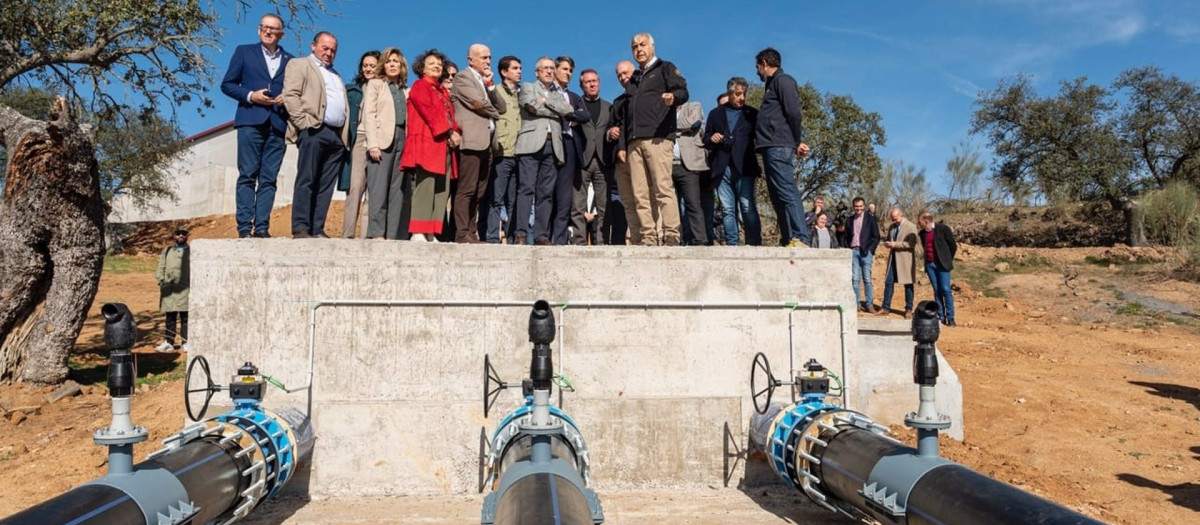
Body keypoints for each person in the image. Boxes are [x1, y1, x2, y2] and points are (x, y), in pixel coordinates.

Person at [220, 14, 294, 239]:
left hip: (278, 124)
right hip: (251, 121)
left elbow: (296, 91)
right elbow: (227, 85)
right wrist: (251, 95)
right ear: (259, 30)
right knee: (247, 174)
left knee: (269, 179)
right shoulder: (244, 52)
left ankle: (262, 227)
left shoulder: (291, 61)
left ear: (281, 34)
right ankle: (244, 227)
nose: (268, 31)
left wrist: (287, 98)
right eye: (264, 27)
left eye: (273, 29)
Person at [623, 32, 688, 246]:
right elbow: (627, 111)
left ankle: (671, 233)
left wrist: (673, 97)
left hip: (658, 138)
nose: (639, 49)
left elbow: (682, 91)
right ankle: (648, 236)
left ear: (652, 46)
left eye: (642, 45)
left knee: (663, 188)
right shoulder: (634, 78)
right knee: (640, 193)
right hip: (634, 142)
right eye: (634, 47)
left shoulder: (665, 68)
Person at [282, 31, 349, 238]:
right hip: (314, 129)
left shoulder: (336, 75)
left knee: (326, 185)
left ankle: (317, 228)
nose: (329, 53)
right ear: (313, 46)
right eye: (325, 48)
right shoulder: (300, 64)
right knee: (307, 179)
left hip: (336, 136)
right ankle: (301, 227)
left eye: (333, 50)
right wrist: (304, 123)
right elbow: (290, 95)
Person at [400, 49, 461, 242]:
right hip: (428, 143)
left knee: (441, 190)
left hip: (444, 146)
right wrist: (450, 132)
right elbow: (430, 113)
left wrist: (456, 131)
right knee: (425, 187)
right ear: (422, 68)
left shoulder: (441, 91)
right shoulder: (420, 86)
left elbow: (450, 116)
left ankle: (431, 231)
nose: (437, 66)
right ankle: (418, 231)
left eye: (439, 64)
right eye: (431, 63)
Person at [513, 57, 574, 245]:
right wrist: (555, 109)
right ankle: (520, 233)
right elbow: (530, 106)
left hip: (553, 146)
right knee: (526, 189)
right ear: (537, 72)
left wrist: (545, 102)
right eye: (545, 68)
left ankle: (541, 235)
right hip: (531, 144)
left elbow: (568, 111)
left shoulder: (557, 94)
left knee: (546, 193)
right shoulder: (528, 87)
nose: (549, 71)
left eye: (551, 68)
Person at [754, 47, 810, 247]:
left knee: (786, 191)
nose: (757, 71)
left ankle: (801, 237)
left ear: (764, 63)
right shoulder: (771, 85)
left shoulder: (783, 81)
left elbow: (794, 113)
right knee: (777, 196)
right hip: (770, 146)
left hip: (779, 145)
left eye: (757, 67)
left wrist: (797, 141)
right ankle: (789, 239)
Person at [450, 44, 506, 243]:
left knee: (479, 191)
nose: (488, 61)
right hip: (471, 141)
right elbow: (477, 103)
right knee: (467, 189)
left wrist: (491, 86)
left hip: (487, 143)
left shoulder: (484, 81)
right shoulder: (463, 78)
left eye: (489, 57)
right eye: (483, 57)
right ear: (471, 59)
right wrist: (494, 113)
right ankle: (461, 232)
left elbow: (502, 107)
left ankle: (471, 232)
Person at [704, 77, 761, 246]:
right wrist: (712, 138)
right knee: (727, 209)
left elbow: (761, 137)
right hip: (722, 168)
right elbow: (706, 138)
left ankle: (754, 244)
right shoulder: (715, 114)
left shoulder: (752, 114)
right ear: (729, 93)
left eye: (744, 94)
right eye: (738, 94)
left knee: (747, 207)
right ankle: (732, 244)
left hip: (745, 167)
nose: (742, 98)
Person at [361, 47, 409, 239]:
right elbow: (369, 114)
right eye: (388, 61)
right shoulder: (376, 84)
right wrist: (372, 143)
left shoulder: (404, 90)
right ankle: (377, 233)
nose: (392, 65)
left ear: (401, 65)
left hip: (402, 139)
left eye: (395, 61)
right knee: (379, 188)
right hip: (382, 140)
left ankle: (393, 234)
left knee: (397, 192)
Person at [340, 50, 379, 238]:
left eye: (372, 65)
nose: (368, 69)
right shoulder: (353, 89)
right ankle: (347, 235)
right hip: (359, 139)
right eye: (365, 65)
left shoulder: (385, 88)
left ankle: (366, 237)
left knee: (373, 191)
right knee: (355, 187)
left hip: (379, 139)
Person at [551, 56, 590, 245]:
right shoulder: (547, 91)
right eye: (564, 69)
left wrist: (568, 113)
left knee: (565, 196)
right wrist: (570, 114)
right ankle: (543, 235)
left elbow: (585, 116)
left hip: (570, 146)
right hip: (550, 144)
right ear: (555, 70)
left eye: (570, 70)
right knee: (547, 192)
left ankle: (559, 239)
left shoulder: (574, 97)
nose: (568, 73)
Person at [572, 69, 614, 245]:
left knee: (604, 205)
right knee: (578, 205)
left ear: (599, 83)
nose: (592, 84)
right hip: (582, 159)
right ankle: (579, 242)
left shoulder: (609, 107)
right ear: (582, 85)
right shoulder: (576, 105)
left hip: (603, 160)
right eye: (588, 82)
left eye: (594, 81)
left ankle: (602, 241)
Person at [486, 56, 522, 244]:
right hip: (501, 152)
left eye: (520, 68)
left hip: (520, 153)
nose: (519, 71)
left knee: (514, 199)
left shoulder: (522, 94)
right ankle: (492, 237)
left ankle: (511, 237)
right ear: (504, 72)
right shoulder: (496, 91)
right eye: (515, 68)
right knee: (496, 198)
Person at [674, 99, 712, 245]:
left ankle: (700, 240)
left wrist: (669, 127)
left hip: (689, 165)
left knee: (693, 204)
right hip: (667, 164)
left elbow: (694, 123)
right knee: (671, 206)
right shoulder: (662, 110)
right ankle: (676, 240)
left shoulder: (694, 105)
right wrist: (684, 127)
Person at [607, 60, 637, 245]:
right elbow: (613, 126)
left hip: (643, 154)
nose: (622, 77)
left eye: (626, 73)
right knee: (624, 202)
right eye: (619, 75)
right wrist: (611, 132)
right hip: (623, 160)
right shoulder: (618, 102)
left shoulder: (648, 97)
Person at [918, 210, 959, 326]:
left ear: (926, 221)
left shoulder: (943, 229)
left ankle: (950, 317)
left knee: (945, 289)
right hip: (930, 264)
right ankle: (941, 316)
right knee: (937, 290)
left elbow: (952, 245)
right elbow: (925, 247)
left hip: (942, 264)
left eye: (920, 222)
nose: (918, 224)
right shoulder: (922, 234)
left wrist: (947, 258)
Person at [878, 208, 919, 318]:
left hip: (905, 260)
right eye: (892, 219)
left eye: (895, 219)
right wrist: (888, 244)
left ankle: (909, 309)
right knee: (888, 282)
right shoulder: (892, 227)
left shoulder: (911, 227)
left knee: (908, 284)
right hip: (893, 259)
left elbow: (911, 244)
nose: (893, 221)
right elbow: (889, 239)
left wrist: (895, 244)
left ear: (902, 215)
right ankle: (885, 308)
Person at [155, 228, 191, 353]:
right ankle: (169, 342)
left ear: (187, 236)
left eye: (183, 234)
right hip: (169, 289)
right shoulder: (167, 251)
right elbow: (161, 267)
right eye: (178, 233)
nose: (181, 235)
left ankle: (186, 342)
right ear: (174, 235)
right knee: (170, 316)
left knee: (185, 317)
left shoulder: (191, 251)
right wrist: (161, 280)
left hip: (185, 289)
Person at [848, 197, 880, 312]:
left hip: (866, 252)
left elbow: (876, 237)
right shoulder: (850, 219)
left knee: (867, 279)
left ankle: (869, 304)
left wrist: (871, 250)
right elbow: (846, 236)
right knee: (855, 280)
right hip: (854, 252)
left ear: (864, 206)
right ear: (853, 207)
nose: (858, 208)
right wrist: (848, 248)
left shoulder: (870, 219)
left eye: (861, 206)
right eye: (856, 206)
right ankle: (856, 304)